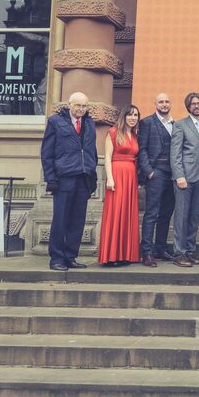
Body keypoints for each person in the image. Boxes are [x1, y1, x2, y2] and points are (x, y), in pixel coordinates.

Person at [41, 92, 98, 271]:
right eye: (78, 105)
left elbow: (91, 152)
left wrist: (93, 175)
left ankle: (70, 256)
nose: (81, 109)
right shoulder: (55, 122)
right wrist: (50, 178)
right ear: (70, 105)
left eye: (84, 106)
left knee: (77, 221)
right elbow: (46, 153)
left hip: (83, 178)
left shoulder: (89, 123)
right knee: (60, 219)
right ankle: (56, 258)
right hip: (64, 178)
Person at [170, 92, 199, 268]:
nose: (196, 106)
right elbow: (175, 153)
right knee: (181, 216)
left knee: (194, 216)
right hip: (185, 178)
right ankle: (179, 253)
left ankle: (189, 251)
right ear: (188, 107)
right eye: (193, 104)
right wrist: (179, 175)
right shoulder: (180, 125)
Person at [98, 104, 141, 266]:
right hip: (117, 175)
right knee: (116, 213)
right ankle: (111, 255)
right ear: (124, 116)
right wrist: (109, 178)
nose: (133, 118)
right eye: (130, 115)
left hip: (130, 177)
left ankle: (125, 254)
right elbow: (107, 157)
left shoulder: (135, 135)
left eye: (136, 115)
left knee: (127, 214)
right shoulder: (113, 132)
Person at [137, 93, 175, 267]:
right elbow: (142, 149)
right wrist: (149, 172)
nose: (164, 104)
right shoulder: (147, 122)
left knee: (166, 213)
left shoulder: (176, 124)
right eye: (161, 101)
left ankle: (160, 247)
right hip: (156, 172)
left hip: (172, 173)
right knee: (152, 212)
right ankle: (146, 251)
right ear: (155, 103)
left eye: (167, 101)